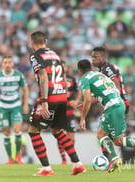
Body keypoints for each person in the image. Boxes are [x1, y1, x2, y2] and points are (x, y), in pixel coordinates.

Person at [77, 59, 135, 173]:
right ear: (91, 68)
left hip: (112, 107)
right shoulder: (100, 75)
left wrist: (83, 117)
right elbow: (100, 95)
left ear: (80, 71)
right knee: (107, 136)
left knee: (112, 138)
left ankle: (117, 157)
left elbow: (88, 99)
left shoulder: (84, 79)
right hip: (118, 104)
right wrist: (87, 103)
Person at [28, 31, 85, 176]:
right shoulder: (55, 55)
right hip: (61, 96)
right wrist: (65, 96)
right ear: (46, 41)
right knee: (57, 131)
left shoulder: (36, 56)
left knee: (33, 131)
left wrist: (45, 101)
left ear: (32, 43)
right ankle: (78, 164)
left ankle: (46, 168)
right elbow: (64, 77)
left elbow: (43, 77)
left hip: (49, 97)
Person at [91, 46, 131, 163]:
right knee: (110, 136)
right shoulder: (102, 70)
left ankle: (109, 161)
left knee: (103, 135)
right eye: (92, 57)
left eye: (96, 57)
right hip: (117, 104)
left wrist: (114, 102)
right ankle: (111, 160)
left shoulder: (107, 69)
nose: (93, 59)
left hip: (117, 104)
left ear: (103, 57)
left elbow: (116, 84)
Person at [0, 56, 29, 164]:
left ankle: (18, 155)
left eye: (9, 62)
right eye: (5, 62)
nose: (7, 64)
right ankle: (10, 158)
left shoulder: (18, 75)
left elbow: (25, 89)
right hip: (3, 107)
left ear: (12, 64)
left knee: (17, 130)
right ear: (2, 64)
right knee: (6, 132)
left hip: (15, 106)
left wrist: (25, 104)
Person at [57, 60, 81, 165]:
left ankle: (71, 156)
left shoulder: (72, 79)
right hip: (60, 112)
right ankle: (63, 159)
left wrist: (76, 101)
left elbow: (78, 90)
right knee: (60, 135)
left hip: (70, 114)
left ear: (66, 68)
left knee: (72, 138)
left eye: (64, 66)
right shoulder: (55, 80)